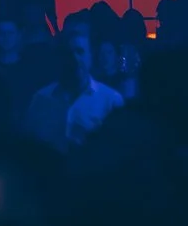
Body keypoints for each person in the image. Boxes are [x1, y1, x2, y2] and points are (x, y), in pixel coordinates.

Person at [25, 23, 126, 151]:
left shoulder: (110, 100)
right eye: (68, 53)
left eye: (80, 51)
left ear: (91, 55)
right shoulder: (40, 100)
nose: (75, 59)